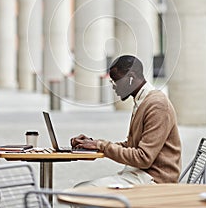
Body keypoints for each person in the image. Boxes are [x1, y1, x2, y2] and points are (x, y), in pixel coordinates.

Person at [71, 55, 181, 186]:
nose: (114, 87)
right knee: (83, 190)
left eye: (115, 81)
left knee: (81, 191)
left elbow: (143, 157)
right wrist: (94, 144)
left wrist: (102, 146)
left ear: (131, 77)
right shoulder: (142, 101)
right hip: (139, 173)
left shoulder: (157, 105)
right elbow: (131, 146)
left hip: (156, 179)